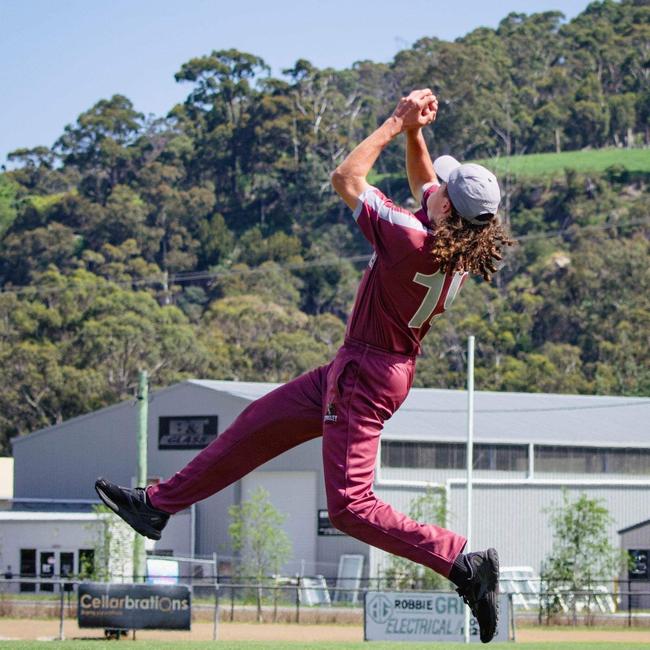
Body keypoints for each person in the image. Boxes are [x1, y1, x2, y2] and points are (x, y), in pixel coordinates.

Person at [95, 89, 513, 643]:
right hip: (368, 365)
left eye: (442, 191)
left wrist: (394, 120)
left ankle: (461, 562)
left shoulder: (411, 239)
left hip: (365, 372)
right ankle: (157, 504)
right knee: (256, 425)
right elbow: (425, 185)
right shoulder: (455, 244)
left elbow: (346, 177)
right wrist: (416, 132)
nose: (433, 188)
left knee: (349, 508)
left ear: (447, 212)